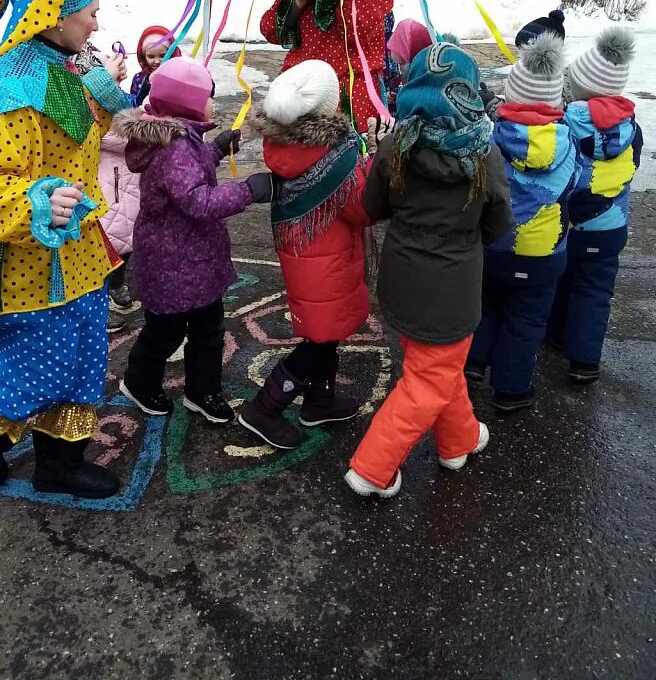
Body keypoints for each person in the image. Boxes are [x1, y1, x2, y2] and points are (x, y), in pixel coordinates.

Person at [0, 0, 131, 499]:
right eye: (90, 12)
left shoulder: (60, 66)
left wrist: (104, 90)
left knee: (81, 358)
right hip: (28, 265)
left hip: (76, 256)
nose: (97, 22)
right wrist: (35, 204)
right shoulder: (5, 91)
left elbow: (72, 132)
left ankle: (60, 462)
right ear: (54, 13)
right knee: (36, 366)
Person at [344, 43, 513, 499]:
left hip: (403, 281)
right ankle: (372, 468)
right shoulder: (483, 153)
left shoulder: (396, 144)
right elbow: (498, 226)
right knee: (428, 378)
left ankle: (458, 440)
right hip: (453, 291)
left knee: (436, 368)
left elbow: (373, 207)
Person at [113, 56, 273, 424]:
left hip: (192, 258)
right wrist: (247, 190)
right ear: (188, 102)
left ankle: (202, 391)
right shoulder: (175, 147)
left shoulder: (181, 137)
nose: (213, 103)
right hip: (174, 262)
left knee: (209, 328)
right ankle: (138, 382)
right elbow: (198, 200)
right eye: (208, 96)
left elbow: (188, 175)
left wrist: (216, 149)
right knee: (165, 332)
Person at [237, 60, 372, 449]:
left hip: (306, 255)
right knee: (319, 340)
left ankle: (319, 401)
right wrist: (372, 166)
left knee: (325, 334)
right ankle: (264, 408)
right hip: (326, 259)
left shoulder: (288, 146)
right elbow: (362, 208)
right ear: (328, 107)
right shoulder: (335, 157)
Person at [465, 34, 578, 411]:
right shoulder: (568, 142)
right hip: (544, 253)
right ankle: (512, 391)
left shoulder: (493, 137)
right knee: (527, 320)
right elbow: (575, 184)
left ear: (512, 93)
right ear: (556, 98)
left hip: (495, 246)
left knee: (488, 305)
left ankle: (473, 365)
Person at [547, 27, 641, 383]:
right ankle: (585, 361)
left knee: (562, 280)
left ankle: (555, 334)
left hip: (569, 224)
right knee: (596, 292)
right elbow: (632, 169)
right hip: (610, 227)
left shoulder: (566, 123)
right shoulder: (631, 127)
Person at [259, 0, 394, 132]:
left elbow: (359, 27)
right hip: (299, 94)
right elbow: (269, 29)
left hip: (350, 94)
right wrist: (297, 3)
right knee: (295, 161)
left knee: (351, 161)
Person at [76, 41, 140, 331]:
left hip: (121, 185)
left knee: (118, 245)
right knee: (106, 247)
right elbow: (118, 135)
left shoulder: (104, 102)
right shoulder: (92, 110)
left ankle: (111, 290)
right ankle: (98, 308)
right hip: (110, 187)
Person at [130, 24, 180, 107]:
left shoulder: (179, 76)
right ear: (143, 56)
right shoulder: (139, 79)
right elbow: (135, 105)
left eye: (162, 55)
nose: (157, 61)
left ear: (171, 53)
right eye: (151, 56)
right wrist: (147, 85)